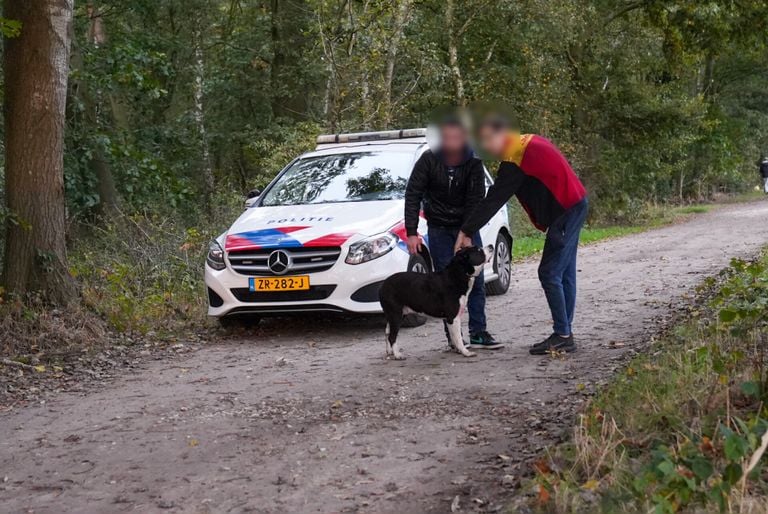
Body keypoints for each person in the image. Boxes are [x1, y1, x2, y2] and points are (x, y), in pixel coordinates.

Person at [455, 117, 587, 355]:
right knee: (564, 271)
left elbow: (494, 199)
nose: (487, 150)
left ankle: (563, 335)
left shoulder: (516, 159)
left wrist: (466, 230)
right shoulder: (527, 140)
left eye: (487, 142)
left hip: (566, 211)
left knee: (549, 272)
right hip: (574, 205)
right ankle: (565, 331)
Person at [404, 118, 502, 349]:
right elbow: (413, 194)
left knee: (475, 281)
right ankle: (453, 337)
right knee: (444, 283)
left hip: (466, 227)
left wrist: (467, 232)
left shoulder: (473, 162)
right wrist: (411, 232)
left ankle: (478, 332)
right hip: (438, 228)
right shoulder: (428, 159)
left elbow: (475, 199)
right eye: (447, 138)